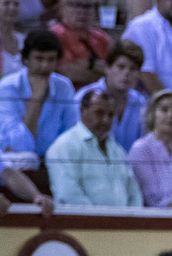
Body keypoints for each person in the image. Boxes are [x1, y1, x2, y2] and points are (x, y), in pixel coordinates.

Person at [44, 87, 142, 206]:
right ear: (82, 111)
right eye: (99, 113)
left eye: (110, 115)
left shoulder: (117, 150)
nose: (106, 120)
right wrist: (101, 222)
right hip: (83, 222)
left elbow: (134, 193)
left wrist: (131, 220)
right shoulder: (64, 146)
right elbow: (68, 195)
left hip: (123, 222)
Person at [0, 29, 77, 157]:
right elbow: (18, 146)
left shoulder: (64, 86)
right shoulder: (7, 88)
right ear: (25, 60)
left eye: (51, 60)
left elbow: (70, 133)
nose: (45, 66)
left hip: (53, 160)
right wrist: (36, 99)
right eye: (39, 59)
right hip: (15, 162)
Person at [75, 39, 147, 152]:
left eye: (133, 69)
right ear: (107, 68)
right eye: (121, 67)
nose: (126, 73)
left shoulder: (141, 102)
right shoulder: (84, 96)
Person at [49, 0, 112, 89]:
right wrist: (97, 68)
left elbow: (115, 73)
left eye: (88, 6)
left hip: (100, 96)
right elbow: (66, 74)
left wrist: (86, 66)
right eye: (76, 5)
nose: (82, 11)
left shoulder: (102, 38)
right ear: (61, 8)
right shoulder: (53, 35)